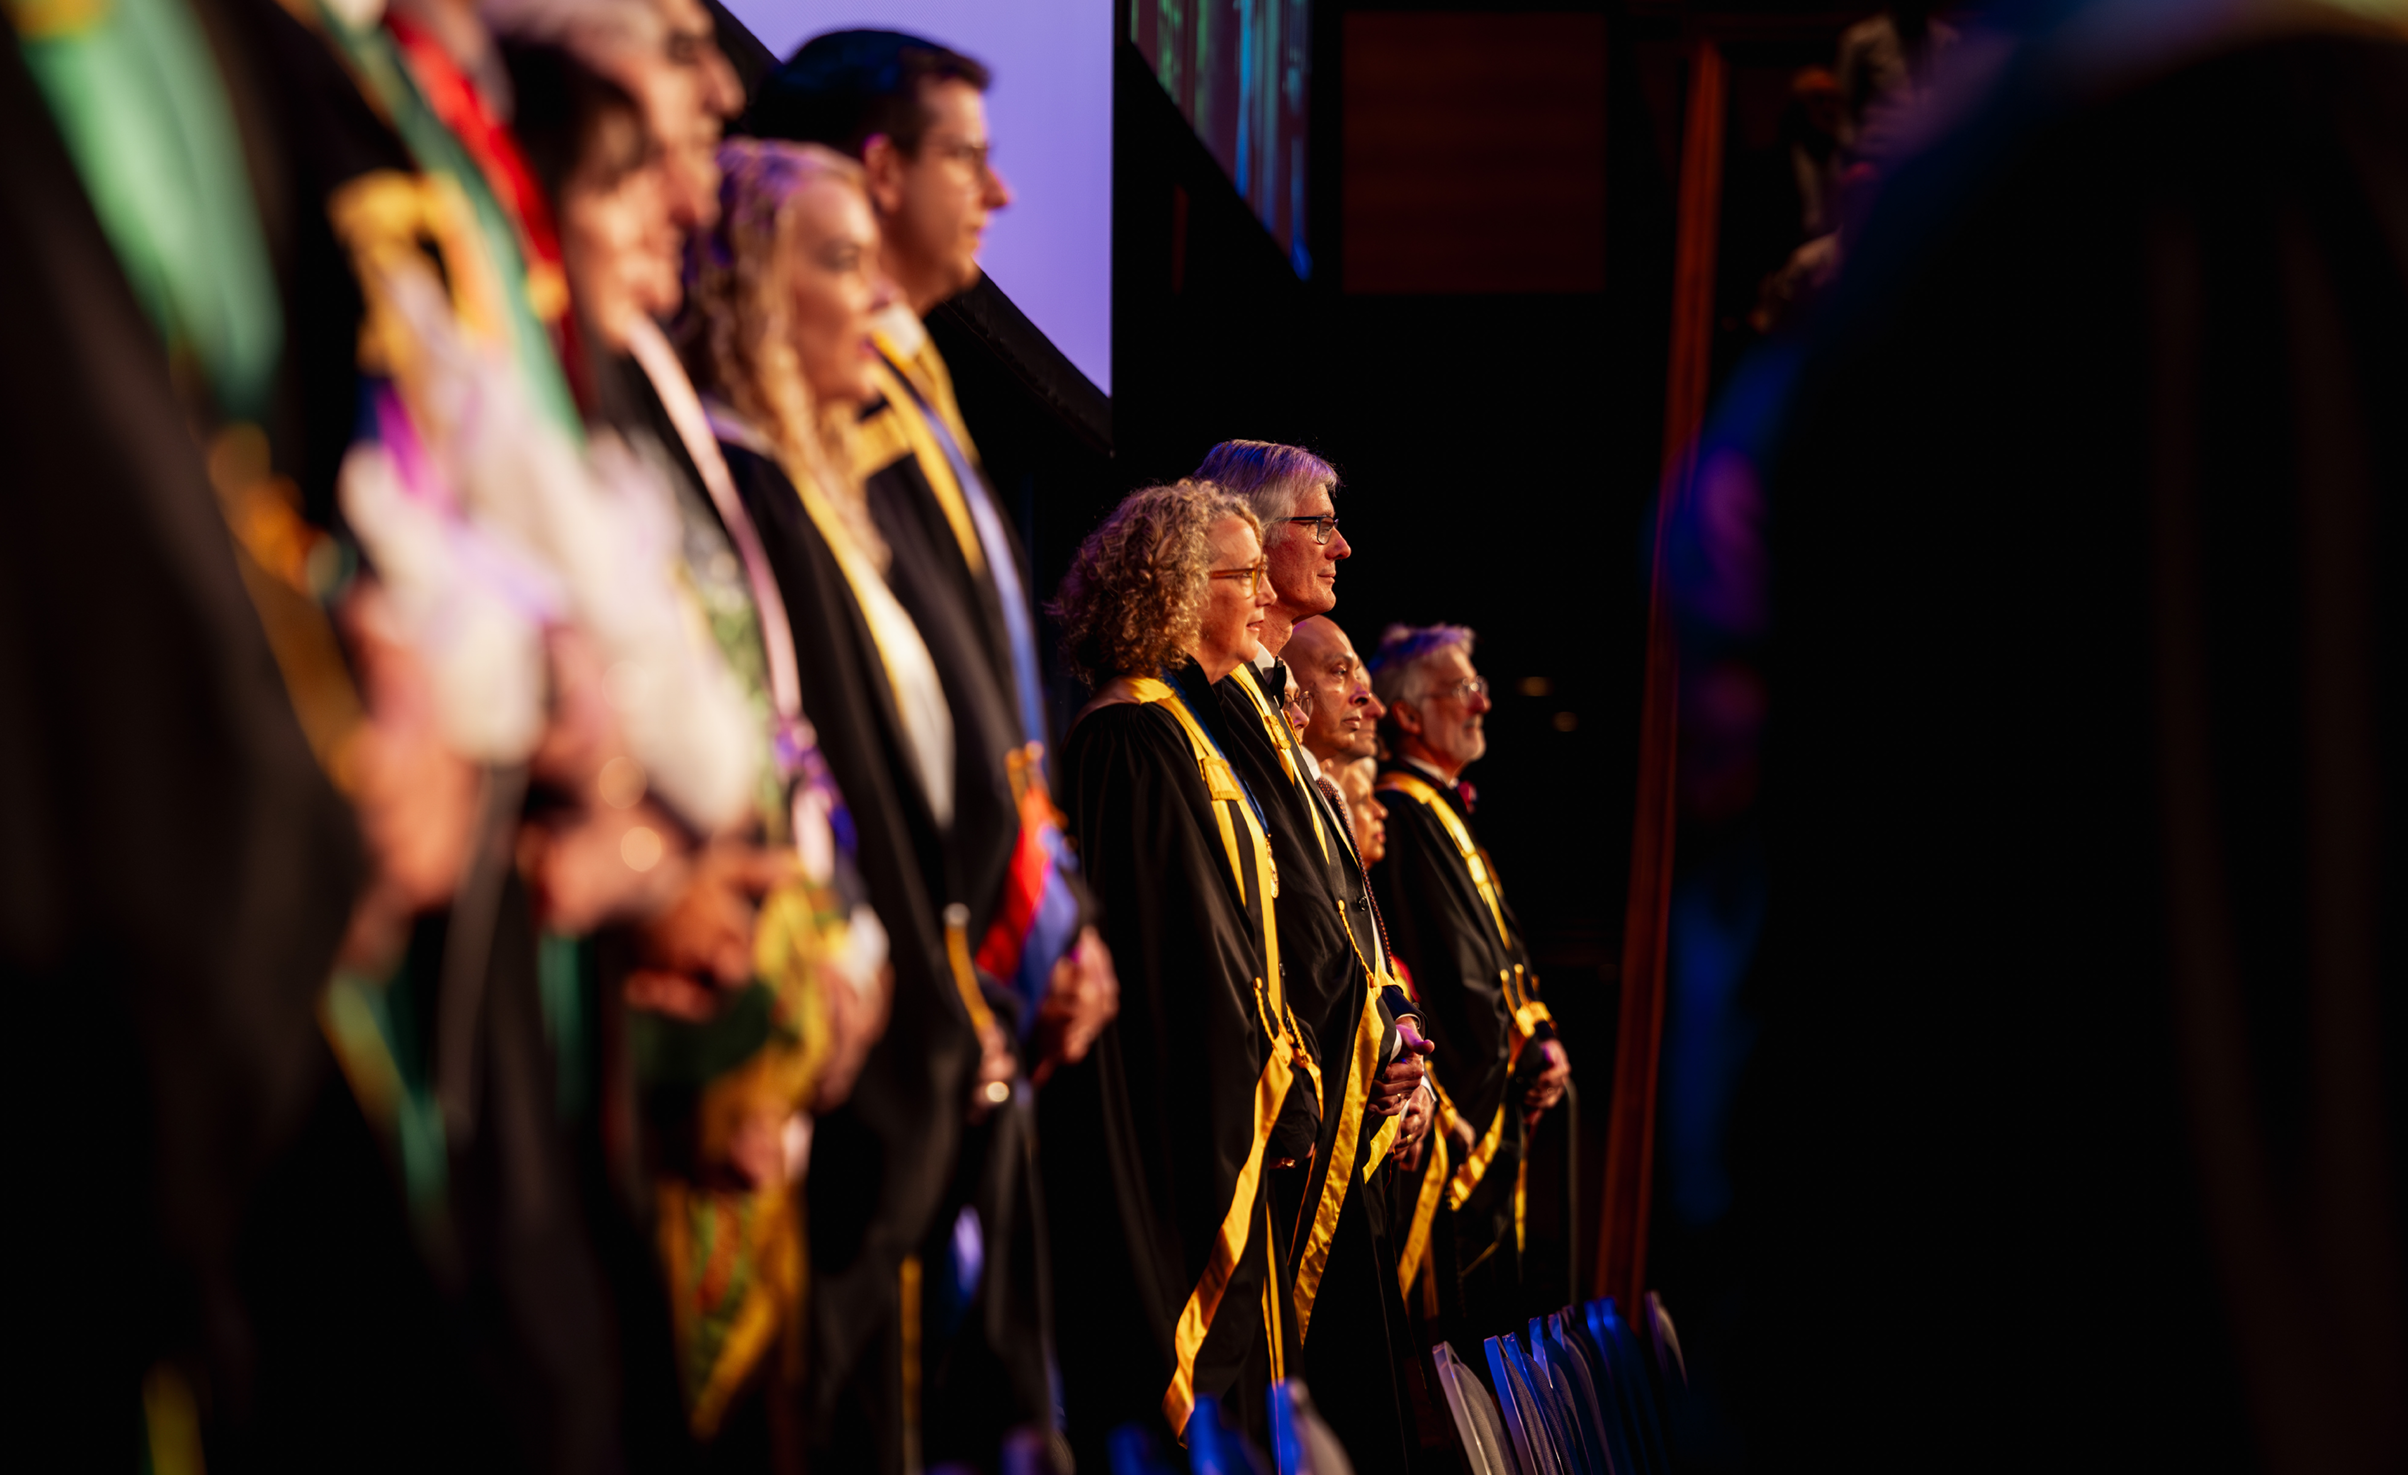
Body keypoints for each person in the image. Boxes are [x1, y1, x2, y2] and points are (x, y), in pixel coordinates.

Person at [501, 38, 895, 1463]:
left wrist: (841, 940)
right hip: (605, 1021)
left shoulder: (654, 381)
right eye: (679, 47)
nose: (720, 93)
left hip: (752, 1015)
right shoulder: (567, 343)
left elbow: (772, 723)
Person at [680, 137, 998, 1474]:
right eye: (841, 262)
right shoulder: (744, 482)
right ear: (748, 287)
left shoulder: (824, 500)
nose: (878, 304)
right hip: (833, 1085)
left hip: (909, 1067)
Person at [1044, 480, 1318, 1465]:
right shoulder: (1126, 736)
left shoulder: (1180, 731)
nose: (1261, 595)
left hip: (1229, 1111)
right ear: (1171, 586)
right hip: (1169, 1142)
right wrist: (1266, 1083)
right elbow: (1179, 961)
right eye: (1241, 574)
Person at [1190, 441, 1432, 1471]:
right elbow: (1268, 917)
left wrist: (1397, 1028)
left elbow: (1340, 905)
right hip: (1294, 1101)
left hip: (1349, 1082)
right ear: (1250, 537)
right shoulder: (1210, 703)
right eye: (1316, 523)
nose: (1340, 542)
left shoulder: (1266, 709)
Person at [1367, 624, 1571, 1342]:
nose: (1482, 704)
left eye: (1480, 688)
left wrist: (1540, 1031)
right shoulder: (1405, 814)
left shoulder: (1443, 810)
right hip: (1460, 1117)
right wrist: (1519, 1048)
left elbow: (1504, 952)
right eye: (1463, 689)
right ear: (1407, 714)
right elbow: (1452, 972)